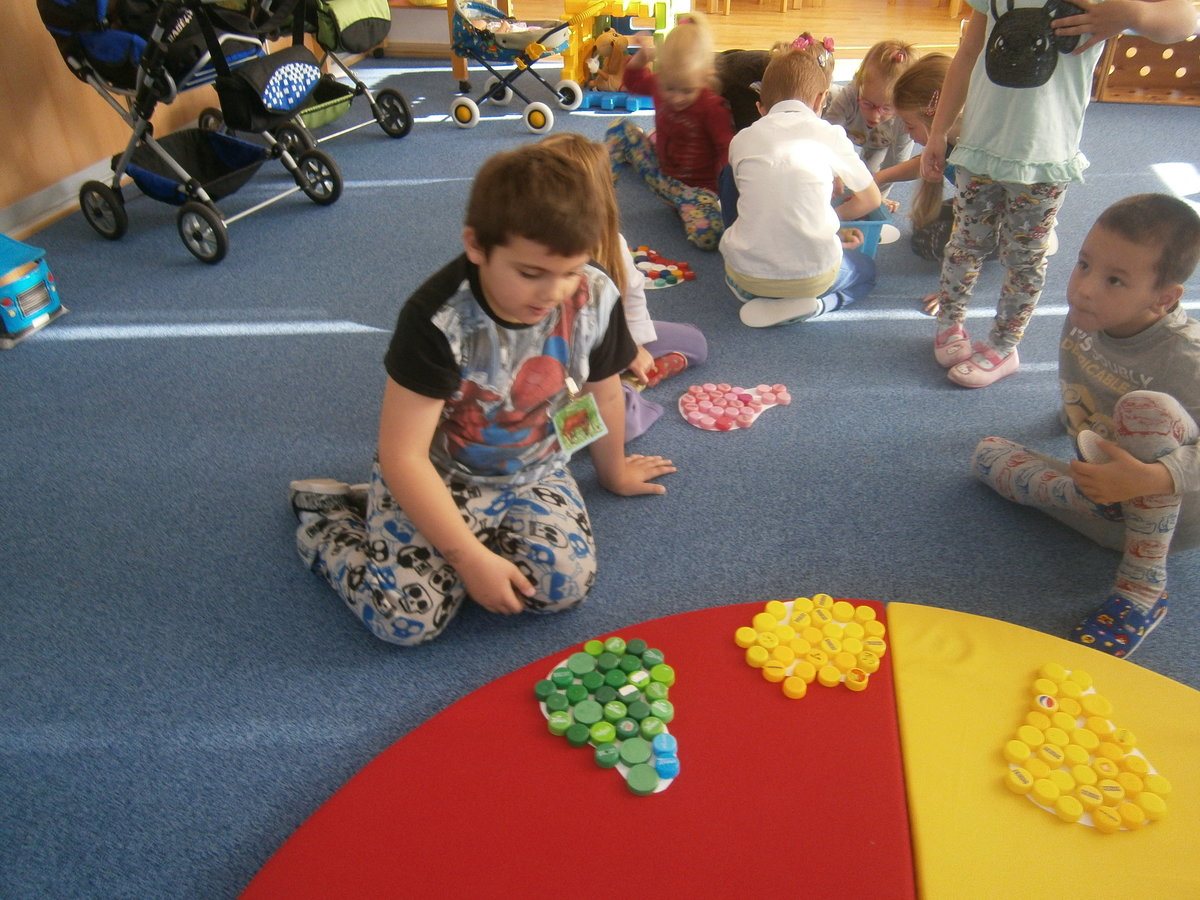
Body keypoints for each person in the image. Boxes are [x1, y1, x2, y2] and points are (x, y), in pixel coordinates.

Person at [288, 144, 676, 646]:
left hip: (535, 469)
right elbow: (404, 455)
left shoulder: (595, 294)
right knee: (405, 622)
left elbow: (600, 395)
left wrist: (615, 472)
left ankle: (397, 515)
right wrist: (468, 559)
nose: (553, 293)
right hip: (442, 474)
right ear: (476, 245)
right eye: (530, 273)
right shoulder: (437, 320)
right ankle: (331, 523)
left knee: (563, 588)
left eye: (570, 271)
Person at [921, 0, 1197, 388]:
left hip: (1044, 158)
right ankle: (950, 323)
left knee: (1024, 259)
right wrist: (938, 131)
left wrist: (1133, 14)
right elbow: (968, 53)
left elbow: (1186, 20)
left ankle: (1003, 345)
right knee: (965, 244)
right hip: (979, 146)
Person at [972, 194, 1200, 658]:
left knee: (1146, 409)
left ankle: (1141, 591)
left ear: (1163, 299)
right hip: (1103, 499)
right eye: (1084, 265)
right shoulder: (1088, 318)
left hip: (1170, 519)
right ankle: (1098, 504)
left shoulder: (1185, 357)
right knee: (987, 455)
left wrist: (1153, 477)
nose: (1085, 289)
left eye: (1115, 280)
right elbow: (1086, 395)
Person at [538, 131, 708, 439]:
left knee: (695, 342)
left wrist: (633, 345)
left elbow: (631, 297)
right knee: (619, 423)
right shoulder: (531, 254)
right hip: (561, 364)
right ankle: (623, 390)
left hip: (611, 340)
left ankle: (626, 380)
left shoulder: (610, 243)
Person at [718, 38, 881, 328]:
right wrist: (830, 223)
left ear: (760, 107)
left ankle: (750, 292)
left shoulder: (742, 139)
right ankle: (819, 305)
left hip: (745, 275)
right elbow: (871, 200)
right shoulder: (830, 135)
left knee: (729, 173)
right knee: (866, 271)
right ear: (821, 100)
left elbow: (760, 197)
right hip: (813, 277)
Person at [605, 12, 733, 250]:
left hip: (697, 191)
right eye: (670, 88)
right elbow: (633, 83)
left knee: (708, 238)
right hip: (661, 176)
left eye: (687, 90)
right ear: (661, 74)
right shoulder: (660, 83)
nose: (676, 98)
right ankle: (600, 191)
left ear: (706, 77)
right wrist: (640, 59)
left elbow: (726, 150)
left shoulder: (713, 107)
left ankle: (690, 208)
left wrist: (727, 195)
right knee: (619, 129)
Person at [873, 53, 959, 265]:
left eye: (910, 125)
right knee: (924, 224)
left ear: (935, 116)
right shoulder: (948, 141)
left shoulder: (976, 154)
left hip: (1003, 211)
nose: (905, 131)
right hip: (977, 202)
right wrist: (877, 178)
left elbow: (982, 212)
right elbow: (923, 164)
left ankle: (1010, 239)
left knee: (928, 242)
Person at [823, 39, 917, 210]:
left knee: (867, 180)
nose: (874, 116)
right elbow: (827, 138)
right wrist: (836, 173)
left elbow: (896, 165)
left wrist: (877, 198)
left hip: (878, 145)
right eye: (868, 104)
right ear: (860, 86)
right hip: (845, 127)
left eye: (886, 108)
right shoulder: (850, 94)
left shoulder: (905, 117)